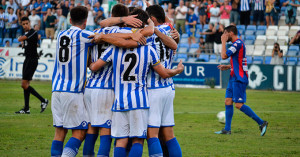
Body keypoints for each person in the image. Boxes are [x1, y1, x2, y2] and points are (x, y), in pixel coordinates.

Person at [89, 8, 184, 157]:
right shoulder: (165, 30)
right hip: (164, 90)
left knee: (132, 138)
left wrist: (103, 37)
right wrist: (177, 70)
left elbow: (105, 26)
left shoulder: (127, 43)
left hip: (145, 92)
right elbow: (173, 43)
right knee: (167, 135)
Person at [50, 6, 94, 157]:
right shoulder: (83, 35)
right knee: (80, 132)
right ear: (85, 21)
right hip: (72, 92)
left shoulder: (61, 34)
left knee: (59, 133)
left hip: (56, 90)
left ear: (69, 20)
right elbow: (102, 38)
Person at [215, 25, 268, 136]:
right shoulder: (236, 44)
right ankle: (227, 129)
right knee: (228, 101)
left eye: (225, 33)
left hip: (239, 77)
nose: (224, 35)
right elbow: (239, 61)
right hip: (233, 75)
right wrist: (229, 66)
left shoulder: (237, 44)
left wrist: (223, 42)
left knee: (238, 104)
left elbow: (224, 55)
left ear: (230, 33)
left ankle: (261, 122)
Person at [146, 4, 182, 157]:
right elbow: (166, 19)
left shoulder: (148, 35)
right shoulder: (170, 29)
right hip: (168, 88)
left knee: (152, 134)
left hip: (153, 88)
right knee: (168, 134)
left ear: (152, 19)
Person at [15, 17, 48, 114]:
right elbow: (27, 43)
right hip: (28, 59)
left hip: (32, 60)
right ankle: (26, 108)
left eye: (26, 23)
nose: (25, 25)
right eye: (23, 24)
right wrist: (24, 44)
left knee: (24, 84)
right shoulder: (27, 34)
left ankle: (43, 100)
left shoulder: (32, 32)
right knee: (25, 85)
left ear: (29, 23)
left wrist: (21, 40)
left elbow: (19, 39)